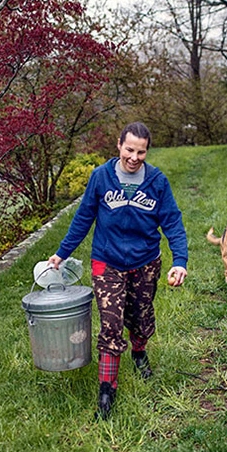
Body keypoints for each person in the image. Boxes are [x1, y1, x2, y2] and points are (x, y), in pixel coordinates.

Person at [47, 122, 188, 420]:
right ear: (118, 145)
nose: (134, 157)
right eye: (129, 149)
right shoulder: (101, 177)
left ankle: (139, 352)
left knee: (140, 316)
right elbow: (83, 218)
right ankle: (106, 390)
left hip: (146, 261)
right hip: (106, 262)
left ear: (147, 151)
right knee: (110, 325)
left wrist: (180, 261)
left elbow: (172, 222)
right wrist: (61, 253)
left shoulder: (158, 182)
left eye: (141, 152)